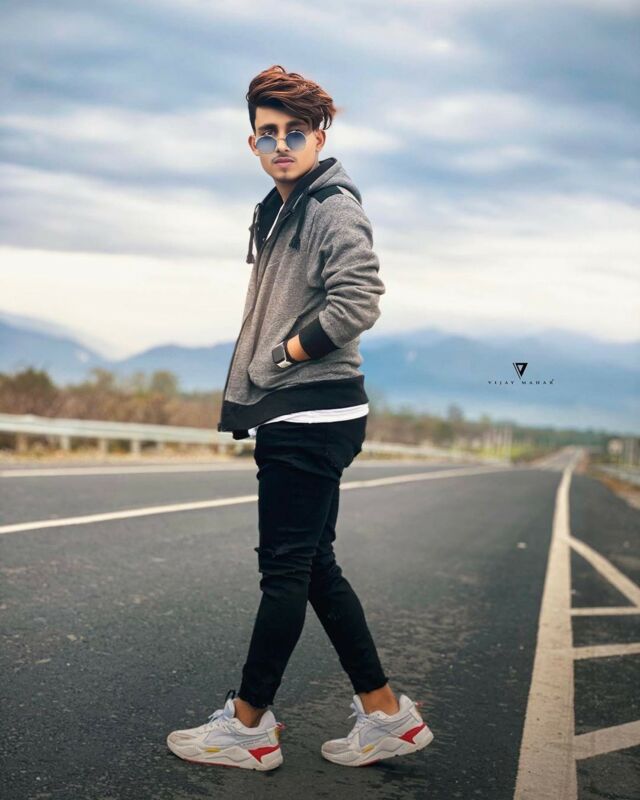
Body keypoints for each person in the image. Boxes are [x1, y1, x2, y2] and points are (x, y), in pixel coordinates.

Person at [167, 65, 434, 770]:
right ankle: (386, 714)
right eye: (267, 133)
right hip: (305, 409)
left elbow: (360, 297)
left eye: (294, 132)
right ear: (252, 142)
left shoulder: (330, 207)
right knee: (313, 566)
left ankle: (248, 726)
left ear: (319, 138)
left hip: (312, 411)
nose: (280, 145)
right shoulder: (280, 207)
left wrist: (285, 354)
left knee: (284, 571)